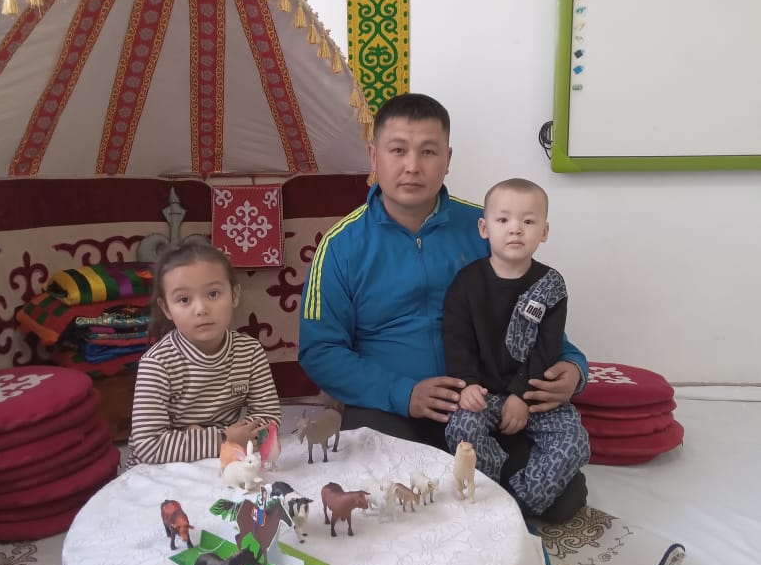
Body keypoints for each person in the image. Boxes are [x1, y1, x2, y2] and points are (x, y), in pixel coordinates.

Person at [298, 92, 588, 519]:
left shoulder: (486, 227)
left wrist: (573, 365)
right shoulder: (341, 246)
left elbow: (536, 312)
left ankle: (483, 495)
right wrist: (404, 394)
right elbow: (320, 351)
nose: (412, 166)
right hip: (391, 410)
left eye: (428, 151)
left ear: (448, 159)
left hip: (484, 405)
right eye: (398, 150)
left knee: (565, 496)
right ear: (374, 156)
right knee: (393, 498)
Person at [442, 178, 590, 518]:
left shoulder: (551, 285)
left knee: (575, 440)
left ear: (544, 231)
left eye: (528, 221)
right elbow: (457, 338)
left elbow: (548, 347)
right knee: (462, 430)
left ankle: (522, 501)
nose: (516, 229)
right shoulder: (466, 282)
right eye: (503, 219)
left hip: (534, 394)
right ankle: (494, 490)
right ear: (484, 228)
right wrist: (467, 385)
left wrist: (522, 395)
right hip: (483, 395)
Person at [126, 242, 281, 468]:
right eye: (184, 300)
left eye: (213, 294)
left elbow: (269, 418)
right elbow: (149, 446)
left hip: (222, 460)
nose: (201, 309)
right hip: (159, 469)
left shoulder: (250, 352)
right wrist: (223, 438)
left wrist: (236, 437)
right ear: (167, 308)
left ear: (234, 295)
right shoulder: (157, 363)